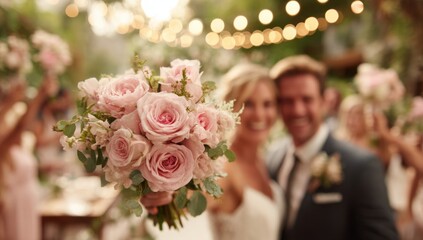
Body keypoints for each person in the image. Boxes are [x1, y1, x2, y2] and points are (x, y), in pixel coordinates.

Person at [140, 63, 284, 240]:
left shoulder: (265, 159)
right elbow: (184, 202)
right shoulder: (223, 168)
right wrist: (164, 194)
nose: (260, 115)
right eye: (248, 104)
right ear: (231, 107)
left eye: (268, 104)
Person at [267, 55, 398, 240]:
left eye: (307, 99)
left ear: (323, 101)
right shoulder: (272, 159)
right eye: (287, 101)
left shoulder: (361, 167)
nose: (297, 110)